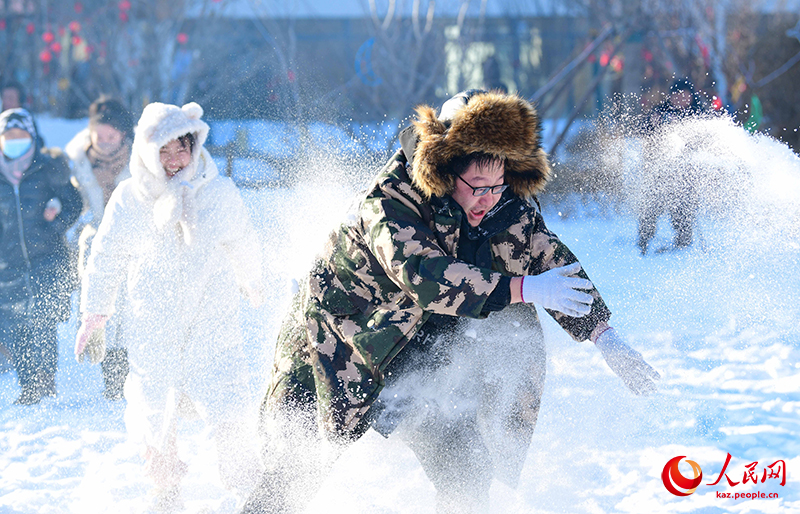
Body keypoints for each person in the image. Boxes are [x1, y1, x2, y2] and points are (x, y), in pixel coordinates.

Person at [241, 90, 660, 513]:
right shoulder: (391, 200)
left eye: (498, 185)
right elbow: (424, 275)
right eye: (477, 186)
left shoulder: (504, 204)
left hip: (421, 355)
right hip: (336, 345)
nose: (488, 198)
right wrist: (522, 289)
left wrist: (604, 337)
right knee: (295, 470)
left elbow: (548, 258)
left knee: (468, 472)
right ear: (445, 169)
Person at [74, 102, 265, 510]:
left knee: (227, 399)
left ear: (194, 146)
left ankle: (249, 484)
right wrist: (96, 312)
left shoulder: (218, 193)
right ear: (147, 152)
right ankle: (165, 491)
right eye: (164, 150)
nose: (176, 159)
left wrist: (252, 279)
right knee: (156, 409)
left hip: (212, 318)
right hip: (154, 323)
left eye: (182, 148)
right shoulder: (130, 198)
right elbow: (106, 256)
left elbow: (243, 240)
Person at [0, 108, 83, 404]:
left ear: (32, 136)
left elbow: (74, 203)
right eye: (9, 136)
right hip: (8, 264)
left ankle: (46, 381)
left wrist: (56, 223)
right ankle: (28, 386)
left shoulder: (48, 168)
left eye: (21, 135)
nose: (15, 141)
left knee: (43, 320)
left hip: (46, 257)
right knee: (15, 325)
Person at [66, 95, 134, 400]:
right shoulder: (79, 161)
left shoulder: (140, 160)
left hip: (132, 237)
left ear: (123, 135)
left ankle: (127, 376)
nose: (104, 143)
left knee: (127, 308)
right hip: (96, 236)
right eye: (99, 136)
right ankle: (110, 376)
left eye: (111, 137)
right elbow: (73, 202)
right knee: (101, 305)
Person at [637, 78, 706, 255]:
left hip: (687, 175)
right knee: (650, 208)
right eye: (676, 95)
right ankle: (643, 243)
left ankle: (683, 245)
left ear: (691, 96)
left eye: (684, 95)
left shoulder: (699, 114)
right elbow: (644, 131)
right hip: (660, 172)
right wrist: (652, 124)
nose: (680, 99)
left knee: (683, 211)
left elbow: (705, 142)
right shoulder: (661, 112)